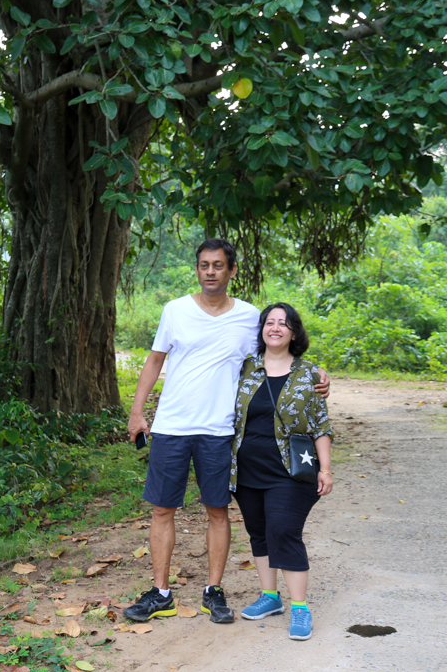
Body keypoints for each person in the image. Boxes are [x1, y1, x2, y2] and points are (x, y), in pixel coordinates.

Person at [124, 240, 329, 625]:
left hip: (220, 431)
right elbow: (154, 362)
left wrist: (314, 373)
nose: (211, 272)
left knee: (217, 511)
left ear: (232, 271)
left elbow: (277, 347)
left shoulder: (250, 317)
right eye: (204, 265)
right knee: (162, 509)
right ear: (197, 270)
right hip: (172, 426)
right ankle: (161, 593)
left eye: (219, 265)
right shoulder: (175, 311)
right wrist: (138, 412)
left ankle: (213, 591)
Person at [230, 302, 333, 641]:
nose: (275, 328)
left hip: (290, 471)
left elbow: (320, 424)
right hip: (247, 469)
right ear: (261, 330)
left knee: (283, 530)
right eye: (270, 322)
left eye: (283, 323)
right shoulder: (246, 368)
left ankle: (300, 607)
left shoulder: (309, 374)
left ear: (294, 332)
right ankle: (270, 597)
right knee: (258, 532)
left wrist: (326, 469)